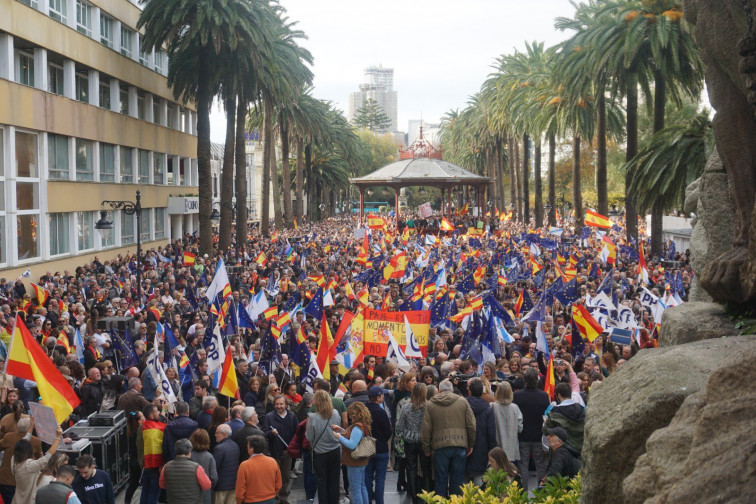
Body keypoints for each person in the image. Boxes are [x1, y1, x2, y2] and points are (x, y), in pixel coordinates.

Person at [420, 379, 476, 498]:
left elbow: (425, 429)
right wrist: (471, 443)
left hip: (439, 446)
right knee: (457, 480)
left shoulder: (430, 404)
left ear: (439, 390)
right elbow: (471, 425)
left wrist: (426, 448)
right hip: (460, 443)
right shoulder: (463, 402)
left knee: (440, 480)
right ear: (451, 389)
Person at [513, 368, 550, 490]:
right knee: (541, 464)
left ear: (524, 380)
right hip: (539, 435)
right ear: (536, 379)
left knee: (523, 464)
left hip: (523, 435)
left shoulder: (517, 396)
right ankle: (541, 490)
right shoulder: (544, 396)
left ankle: (524, 490)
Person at [394, 383, 431, 504]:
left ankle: (414, 494)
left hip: (410, 441)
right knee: (426, 469)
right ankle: (427, 495)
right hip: (425, 440)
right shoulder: (429, 407)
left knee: (411, 468)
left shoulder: (406, 407)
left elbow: (399, 427)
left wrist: (406, 434)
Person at [305, 390, 342, 504]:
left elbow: (309, 437)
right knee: (334, 480)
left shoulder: (313, 417)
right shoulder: (335, 413)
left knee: (322, 481)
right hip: (335, 450)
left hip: (320, 453)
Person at [11, 425, 62, 504]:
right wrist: (58, 437)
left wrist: (31, 425)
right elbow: (47, 457)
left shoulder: (14, 460)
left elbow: (24, 442)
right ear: (28, 451)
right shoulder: (29, 465)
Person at [332, 402, 371, 504]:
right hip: (362, 461)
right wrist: (341, 430)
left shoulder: (357, 427)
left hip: (354, 463)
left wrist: (339, 437)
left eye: (350, 414)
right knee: (362, 487)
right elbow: (353, 437)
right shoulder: (363, 425)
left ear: (354, 414)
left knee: (355, 490)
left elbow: (352, 445)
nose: (349, 416)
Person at [261, 395, 297, 504]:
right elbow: (264, 433)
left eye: (281, 404)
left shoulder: (292, 416)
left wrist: (293, 447)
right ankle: (275, 499)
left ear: (286, 405)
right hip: (274, 451)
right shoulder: (269, 417)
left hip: (287, 451)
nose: (279, 406)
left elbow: (297, 433)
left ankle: (283, 498)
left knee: (285, 476)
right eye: (277, 404)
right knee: (274, 477)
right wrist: (271, 433)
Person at [159, 439, 213, 504]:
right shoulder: (197, 467)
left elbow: (162, 485)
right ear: (189, 451)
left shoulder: (166, 467)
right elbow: (207, 485)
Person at [465, 378, 496, 486]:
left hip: (465, 444)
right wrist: (492, 449)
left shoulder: (463, 404)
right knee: (479, 477)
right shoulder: (487, 408)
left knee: (464, 478)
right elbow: (491, 431)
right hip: (482, 446)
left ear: (469, 390)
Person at [542, 383, 586, 458]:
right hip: (580, 450)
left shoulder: (554, 412)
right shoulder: (582, 408)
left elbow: (545, 431)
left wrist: (546, 422)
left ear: (558, 395)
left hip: (562, 452)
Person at [235, 435, 282, 504]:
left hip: (250, 501)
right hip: (270, 500)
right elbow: (278, 484)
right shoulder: (273, 462)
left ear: (252, 449)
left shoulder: (244, 465)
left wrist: (239, 501)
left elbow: (240, 489)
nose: (247, 448)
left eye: (247, 446)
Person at [364, 386, 391, 504]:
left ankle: (368, 499)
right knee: (380, 479)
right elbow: (388, 431)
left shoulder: (364, 411)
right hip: (381, 449)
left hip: (366, 449)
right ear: (378, 397)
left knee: (367, 478)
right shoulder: (381, 412)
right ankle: (380, 501)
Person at [491, 381, 523, 473]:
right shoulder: (515, 408)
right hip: (512, 449)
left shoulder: (492, 406)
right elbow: (520, 428)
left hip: (496, 448)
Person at [137, 405, 166, 504]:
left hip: (145, 465)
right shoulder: (158, 429)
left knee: (145, 490)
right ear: (151, 415)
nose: (158, 412)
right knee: (153, 492)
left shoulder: (142, 427)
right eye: (156, 411)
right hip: (155, 465)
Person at [189, 429, 218, 504]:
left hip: (189, 492)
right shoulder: (209, 457)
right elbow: (214, 477)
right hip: (205, 493)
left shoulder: (188, 455)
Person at [212, 424, 238, 504]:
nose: (215, 435)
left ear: (223, 434)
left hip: (221, 487)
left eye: (217, 433)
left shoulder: (219, 448)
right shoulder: (235, 445)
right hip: (233, 485)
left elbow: (215, 468)